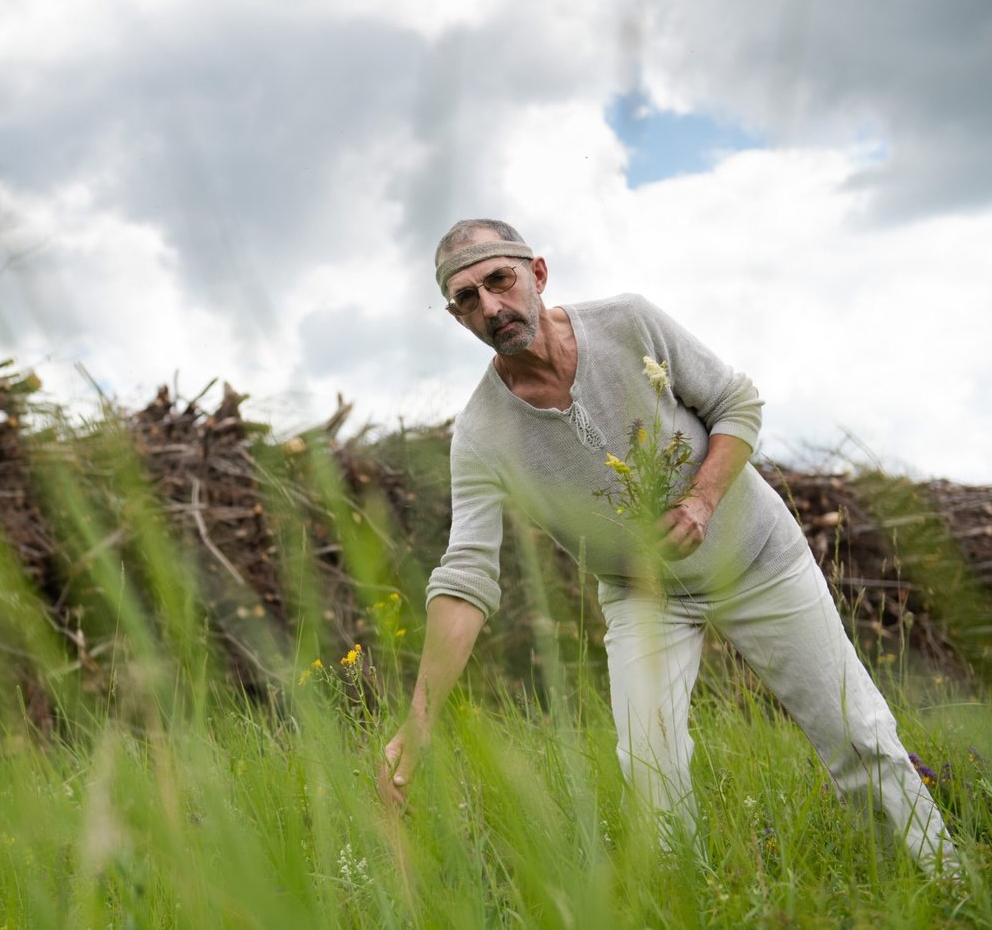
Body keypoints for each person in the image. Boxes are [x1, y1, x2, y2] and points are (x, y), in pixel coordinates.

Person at [378, 218, 956, 873]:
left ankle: (948, 888)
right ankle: (699, 902)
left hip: (755, 556)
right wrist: (418, 723)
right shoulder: (482, 432)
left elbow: (736, 402)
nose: (490, 306)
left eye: (499, 280)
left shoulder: (628, 324)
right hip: (642, 593)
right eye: (466, 298)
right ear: (456, 316)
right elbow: (466, 575)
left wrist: (701, 499)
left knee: (859, 738)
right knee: (650, 774)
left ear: (537, 274)